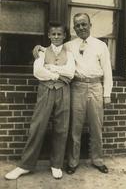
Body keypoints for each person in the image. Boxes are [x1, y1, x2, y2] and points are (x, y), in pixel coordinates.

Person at [33, 13, 113, 175]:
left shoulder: (101, 45)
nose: (81, 27)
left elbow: (107, 70)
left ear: (90, 25)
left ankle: (97, 160)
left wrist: (107, 93)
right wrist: (38, 49)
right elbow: (52, 50)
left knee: (96, 126)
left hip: (96, 86)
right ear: (74, 28)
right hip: (77, 87)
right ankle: (73, 161)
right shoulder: (69, 45)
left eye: (84, 24)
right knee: (75, 127)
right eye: (77, 25)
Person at [5, 23, 75, 180]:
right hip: (46, 91)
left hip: (64, 91)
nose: (56, 37)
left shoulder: (69, 54)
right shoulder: (42, 52)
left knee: (61, 128)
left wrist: (49, 68)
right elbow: (37, 71)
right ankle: (25, 165)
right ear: (49, 35)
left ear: (64, 36)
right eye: (53, 34)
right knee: (38, 126)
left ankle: (56, 164)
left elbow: (70, 73)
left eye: (59, 34)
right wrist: (57, 75)